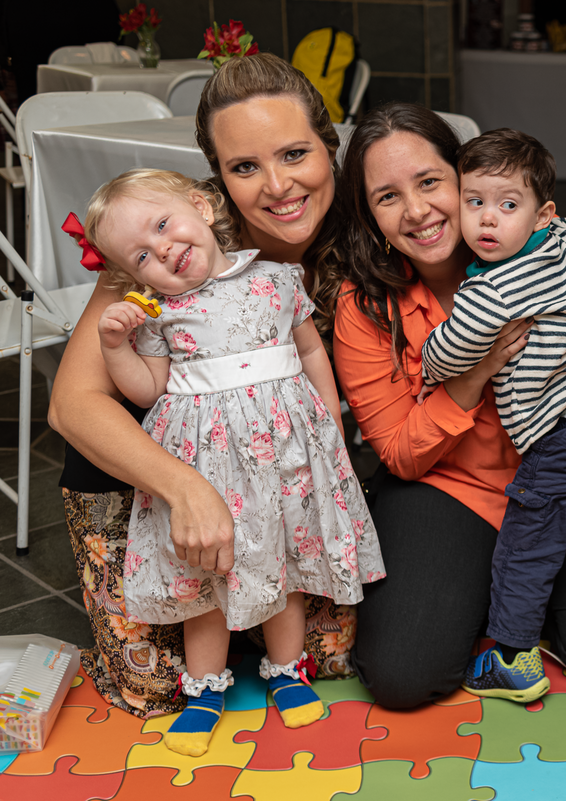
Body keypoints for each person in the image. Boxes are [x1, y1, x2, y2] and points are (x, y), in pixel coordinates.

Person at [332, 103, 566, 709]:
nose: (416, 211)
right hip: (450, 486)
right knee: (403, 676)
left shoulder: (538, 246)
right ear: (370, 215)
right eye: (387, 197)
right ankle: (490, 592)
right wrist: (477, 370)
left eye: (432, 183)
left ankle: (520, 600)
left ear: (466, 177)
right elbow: (399, 453)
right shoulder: (365, 306)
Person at [48, 53, 354, 720]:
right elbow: (71, 405)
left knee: (336, 652)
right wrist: (185, 488)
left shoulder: (365, 234)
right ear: (214, 182)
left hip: (294, 475)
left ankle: (275, 648)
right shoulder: (160, 245)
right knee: (149, 687)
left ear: (329, 146)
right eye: (245, 167)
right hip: (168, 481)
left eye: (296, 153)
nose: (278, 185)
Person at [80, 167, 384, 755]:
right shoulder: (157, 313)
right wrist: (115, 346)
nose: (163, 249)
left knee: (284, 564)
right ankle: (205, 691)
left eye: (164, 225)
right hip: (207, 464)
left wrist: (330, 425)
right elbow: (147, 391)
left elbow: (310, 351)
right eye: (142, 254)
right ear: (132, 274)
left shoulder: (276, 279)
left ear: (201, 206)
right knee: (207, 577)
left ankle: (286, 671)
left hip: (286, 456)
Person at [420, 128, 566, 702]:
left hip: (559, 432)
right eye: (475, 202)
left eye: (508, 205)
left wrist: (432, 364)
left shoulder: (489, 293)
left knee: (527, 539)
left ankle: (513, 657)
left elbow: (442, 357)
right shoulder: (564, 240)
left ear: (541, 214)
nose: (488, 221)